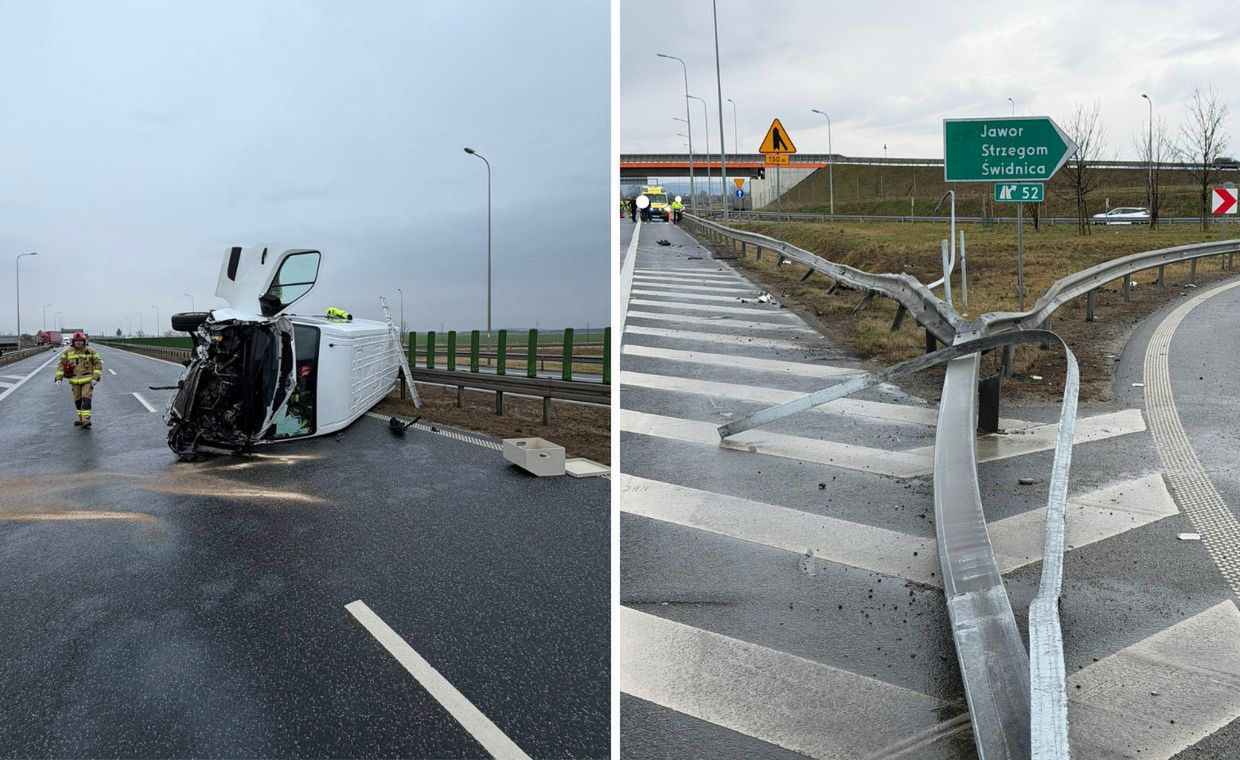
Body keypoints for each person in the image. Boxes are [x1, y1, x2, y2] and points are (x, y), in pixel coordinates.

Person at [53, 332, 102, 428]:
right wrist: (59, 377)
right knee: (78, 401)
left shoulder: (91, 351)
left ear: (84, 341)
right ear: (73, 342)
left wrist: (96, 377)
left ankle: (86, 420)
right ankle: (81, 419)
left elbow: (98, 364)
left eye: (80, 341)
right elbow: (61, 365)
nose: (78, 343)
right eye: (76, 341)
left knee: (86, 399)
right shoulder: (67, 352)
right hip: (74, 381)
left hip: (87, 380)